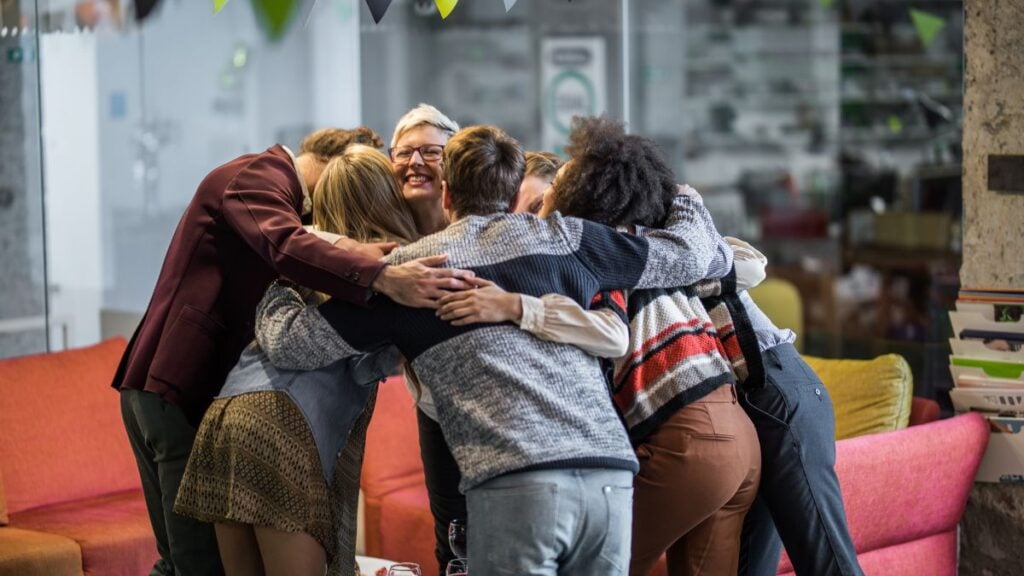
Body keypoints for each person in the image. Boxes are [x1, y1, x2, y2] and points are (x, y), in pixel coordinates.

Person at [256, 124, 728, 576]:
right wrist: (685, 198)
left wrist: (274, 275)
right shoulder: (568, 238)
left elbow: (289, 342)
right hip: (610, 478)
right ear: (512, 191)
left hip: (518, 480)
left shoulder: (416, 273)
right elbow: (689, 256)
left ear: (446, 195)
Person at [112, 127, 473, 576]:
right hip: (187, 393)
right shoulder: (260, 176)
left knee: (177, 564)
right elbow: (285, 245)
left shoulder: (310, 250)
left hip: (182, 400)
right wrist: (380, 275)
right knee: (196, 567)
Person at [458, 116, 761, 576]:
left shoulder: (592, 254)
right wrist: (685, 198)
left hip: (687, 438)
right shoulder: (645, 248)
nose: (539, 217)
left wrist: (516, 307)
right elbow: (747, 265)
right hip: (739, 439)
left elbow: (606, 334)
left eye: (544, 201)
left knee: (589, 567)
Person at [386, 104, 632, 575]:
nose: (416, 162)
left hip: (535, 447)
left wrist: (516, 306)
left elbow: (613, 332)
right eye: (405, 151)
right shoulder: (402, 247)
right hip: (450, 412)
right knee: (453, 546)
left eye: (431, 151)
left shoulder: (556, 248)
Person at [173, 145, 417, 576]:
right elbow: (307, 349)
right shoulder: (390, 276)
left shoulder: (304, 259)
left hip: (225, 417)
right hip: (282, 424)